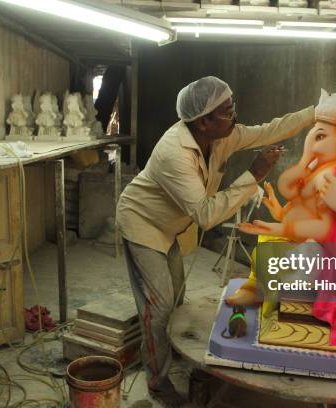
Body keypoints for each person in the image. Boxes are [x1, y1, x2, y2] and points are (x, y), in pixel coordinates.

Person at [116, 76, 315, 406]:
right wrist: (254, 175)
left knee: (177, 296)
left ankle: (167, 355)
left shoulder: (221, 135)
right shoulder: (173, 153)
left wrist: (316, 112)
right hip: (143, 223)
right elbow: (206, 215)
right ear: (203, 121)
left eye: (232, 105)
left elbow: (268, 130)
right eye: (226, 111)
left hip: (172, 226)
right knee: (160, 305)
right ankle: (156, 380)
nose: (234, 115)